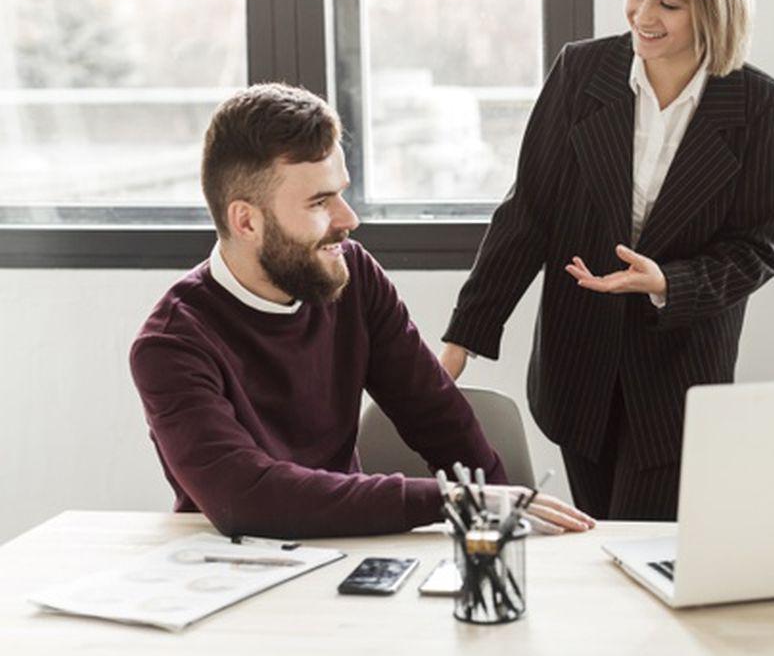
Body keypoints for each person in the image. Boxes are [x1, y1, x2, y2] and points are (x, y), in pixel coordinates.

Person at [440, 0, 774, 520]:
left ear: (715, 8)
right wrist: (462, 338)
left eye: (669, 4)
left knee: (641, 546)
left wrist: (667, 283)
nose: (643, 16)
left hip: (679, 373)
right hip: (579, 368)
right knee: (595, 540)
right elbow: (529, 213)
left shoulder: (758, 104)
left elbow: (757, 248)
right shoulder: (581, 73)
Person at [129, 83, 593, 538]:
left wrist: (503, 520)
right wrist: (452, 499)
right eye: (319, 202)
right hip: (235, 566)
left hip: (348, 548)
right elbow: (245, 496)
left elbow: (436, 415)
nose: (349, 219)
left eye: (341, 193)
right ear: (247, 221)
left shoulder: (353, 274)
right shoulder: (170, 345)